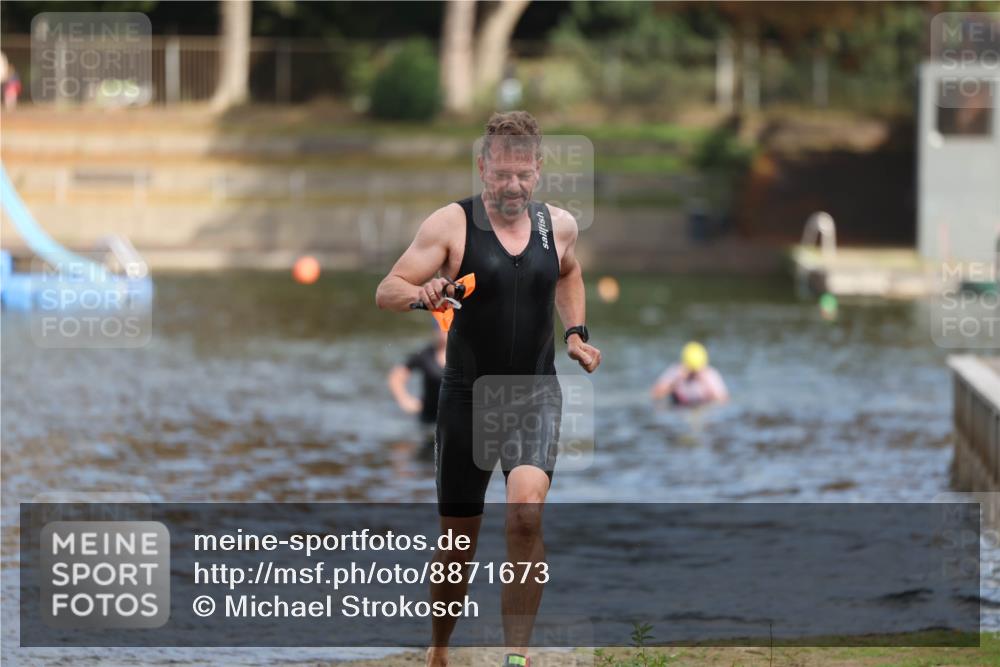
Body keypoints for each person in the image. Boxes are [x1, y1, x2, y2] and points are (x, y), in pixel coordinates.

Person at [375, 110, 601, 667]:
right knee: (459, 543)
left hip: (533, 395)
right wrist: (422, 293)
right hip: (467, 398)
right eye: (501, 174)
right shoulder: (451, 226)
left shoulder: (559, 226)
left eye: (523, 174)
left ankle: (516, 657)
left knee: (526, 513)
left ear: (538, 170)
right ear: (483, 167)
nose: (513, 185)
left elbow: (568, 272)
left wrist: (574, 333)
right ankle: (440, 648)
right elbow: (387, 289)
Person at [387, 325, 447, 455]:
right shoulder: (425, 354)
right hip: (428, 420)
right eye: (439, 329)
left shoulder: (461, 355)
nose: (443, 334)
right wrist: (405, 400)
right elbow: (396, 376)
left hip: (453, 419)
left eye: (446, 329)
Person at [650, 341, 728, 407]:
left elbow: (723, 400)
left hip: (703, 406)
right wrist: (676, 381)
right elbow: (655, 394)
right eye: (690, 370)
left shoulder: (710, 374)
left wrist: (705, 383)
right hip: (678, 408)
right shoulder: (676, 371)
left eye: (695, 371)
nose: (693, 374)